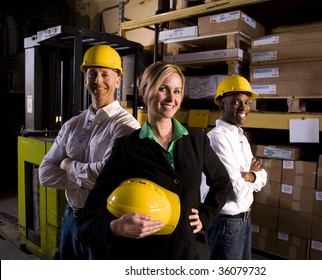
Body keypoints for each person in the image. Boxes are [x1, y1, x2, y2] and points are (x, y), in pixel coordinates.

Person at [79, 61, 233, 259]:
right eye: (163, 89)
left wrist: (204, 217)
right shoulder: (127, 147)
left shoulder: (197, 140)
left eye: (177, 91)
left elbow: (222, 183)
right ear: (146, 91)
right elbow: (90, 213)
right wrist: (114, 227)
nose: (171, 98)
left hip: (184, 256)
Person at [38, 44, 141, 259]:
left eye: (105, 74)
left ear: (117, 79)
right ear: (85, 78)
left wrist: (67, 165)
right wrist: (89, 180)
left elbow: (111, 179)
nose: (98, 81)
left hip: (102, 220)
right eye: (92, 73)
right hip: (70, 218)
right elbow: (45, 173)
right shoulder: (72, 125)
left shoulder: (126, 127)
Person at [201, 75, 267, 260]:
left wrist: (250, 175)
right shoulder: (217, 138)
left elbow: (262, 177)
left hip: (244, 219)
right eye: (236, 102)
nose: (243, 107)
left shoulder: (242, 138)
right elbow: (234, 190)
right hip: (226, 222)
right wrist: (251, 176)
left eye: (246, 102)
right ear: (222, 105)